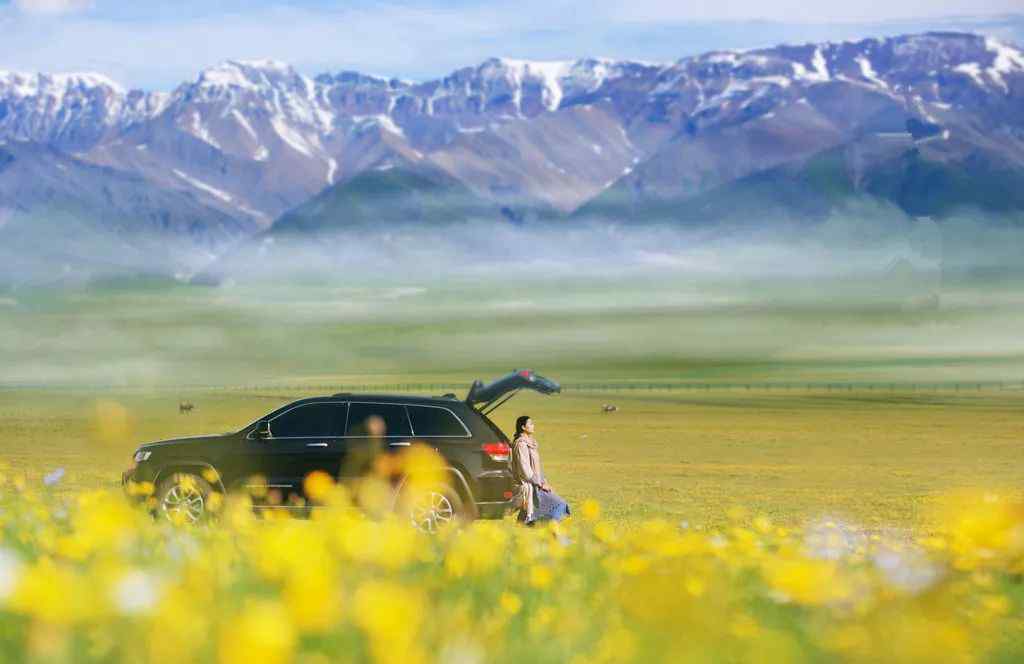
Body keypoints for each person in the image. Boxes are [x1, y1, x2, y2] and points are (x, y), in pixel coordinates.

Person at [510, 415, 570, 524]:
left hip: (536, 484)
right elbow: (525, 470)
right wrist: (541, 484)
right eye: (531, 424)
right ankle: (557, 538)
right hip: (530, 486)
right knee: (559, 505)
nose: (533, 426)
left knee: (528, 517)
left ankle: (523, 536)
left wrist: (544, 481)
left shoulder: (531, 443)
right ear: (523, 427)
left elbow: (537, 468)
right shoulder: (521, 445)